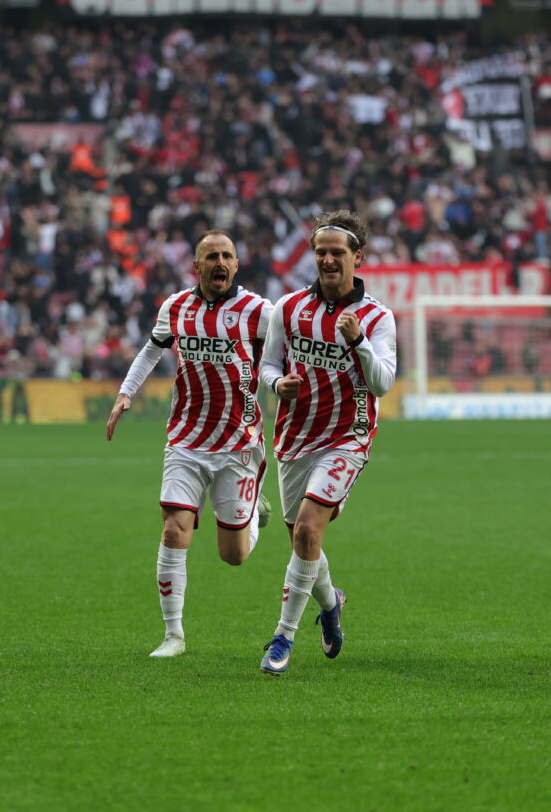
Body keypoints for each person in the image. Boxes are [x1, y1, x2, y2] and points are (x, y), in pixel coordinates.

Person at [107, 230, 273, 658]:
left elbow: (286, 355)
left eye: (227, 256)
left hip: (238, 443)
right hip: (185, 438)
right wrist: (127, 392)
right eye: (211, 256)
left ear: (236, 265)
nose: (220, 262)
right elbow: (150, 351)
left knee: (233, 556)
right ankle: (173, 635)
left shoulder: (259, 311)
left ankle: (255, 511)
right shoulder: (176, 307)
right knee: (173, 527)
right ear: (196, 266)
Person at [256, 210, 397, 675]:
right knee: (301, 539)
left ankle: (282, 638)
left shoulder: (376, 317)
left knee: (308, 531)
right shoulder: (289, 308)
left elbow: (382, 384)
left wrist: (359, 343)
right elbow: (267, 367)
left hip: (348, 437)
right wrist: (278, 387)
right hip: (295, 437)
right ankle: (330, 601)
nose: (329, 260)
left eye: (338, 253)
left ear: (358, 257)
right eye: (322, 253)